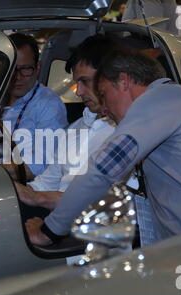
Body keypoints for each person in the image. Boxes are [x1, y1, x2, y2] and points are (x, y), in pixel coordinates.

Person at [26, 51, 181, 246]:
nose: (104, 108)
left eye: (105, 95)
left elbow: (103, 170)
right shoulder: (174, 101)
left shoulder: (161, 102)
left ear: (124, 81)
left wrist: (50, 231)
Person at [15, 35, 134, 211]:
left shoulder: (129, 132)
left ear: (112, 78)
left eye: (85, 81)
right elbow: (45, 183)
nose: (78, 92)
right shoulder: (76, 128)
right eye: (77, 82)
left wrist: (37, 198)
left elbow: (103, 202)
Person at [1, 33, 68, 178]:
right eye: (12, 69)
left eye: (25, 69)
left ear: (37, 68)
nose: (17, 77)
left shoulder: (49, 105)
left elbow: (37, 166)